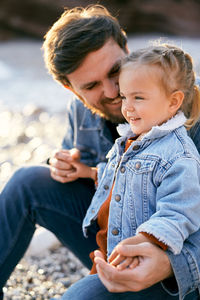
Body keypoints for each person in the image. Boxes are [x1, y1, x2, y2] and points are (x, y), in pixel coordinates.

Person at [0, 4, 199, 299]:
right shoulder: (82, 112)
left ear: (127, 47)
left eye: (115, 71)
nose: (112, 93)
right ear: (70, 89)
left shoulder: (186, 106)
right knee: (27, 182)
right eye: (91, 85)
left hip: (180, 267)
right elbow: (102, 176)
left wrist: (171, 264)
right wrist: (65, 165)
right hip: (116, 247)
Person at [57, 44, 200, 299]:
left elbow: (181, 210)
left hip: (144, 263)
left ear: (174, 101)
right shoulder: (136, 138)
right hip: (112, 249)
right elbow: (126, 177)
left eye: (139, 98)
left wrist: (148, 239)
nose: (127, 107)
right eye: (125, 97)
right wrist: (88, 172)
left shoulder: (179, 155)